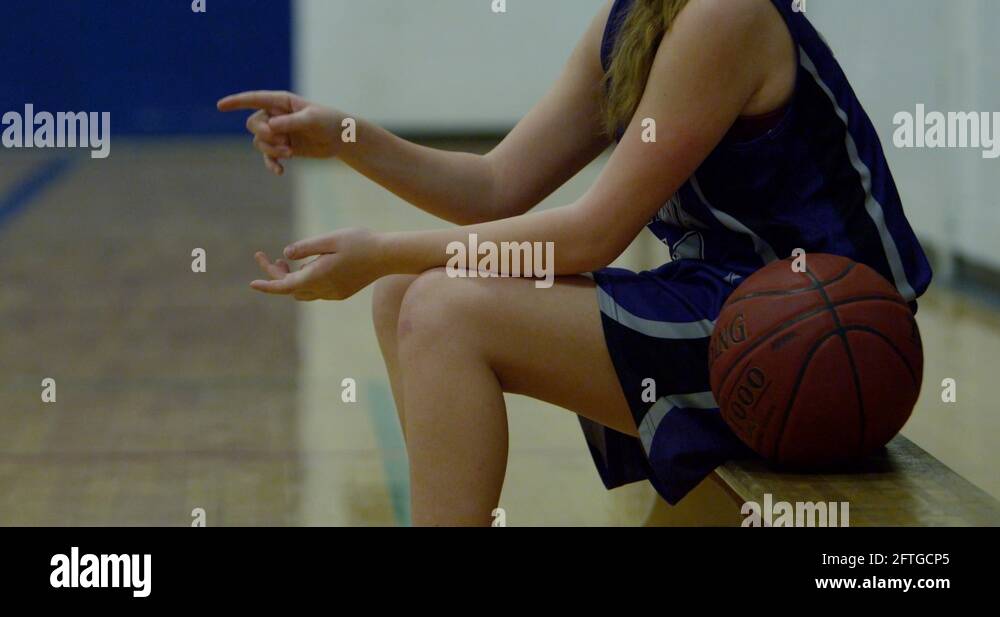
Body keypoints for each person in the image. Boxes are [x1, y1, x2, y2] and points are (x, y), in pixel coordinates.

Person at [218, 0, 932, 526]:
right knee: (403, 292)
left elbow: (594, 235)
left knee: (439, 308)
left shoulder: (725, 15)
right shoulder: (634, 20)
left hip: (829, 340)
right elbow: (495, 187)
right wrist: (346, 135)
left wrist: (376, 251)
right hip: (735, 302)